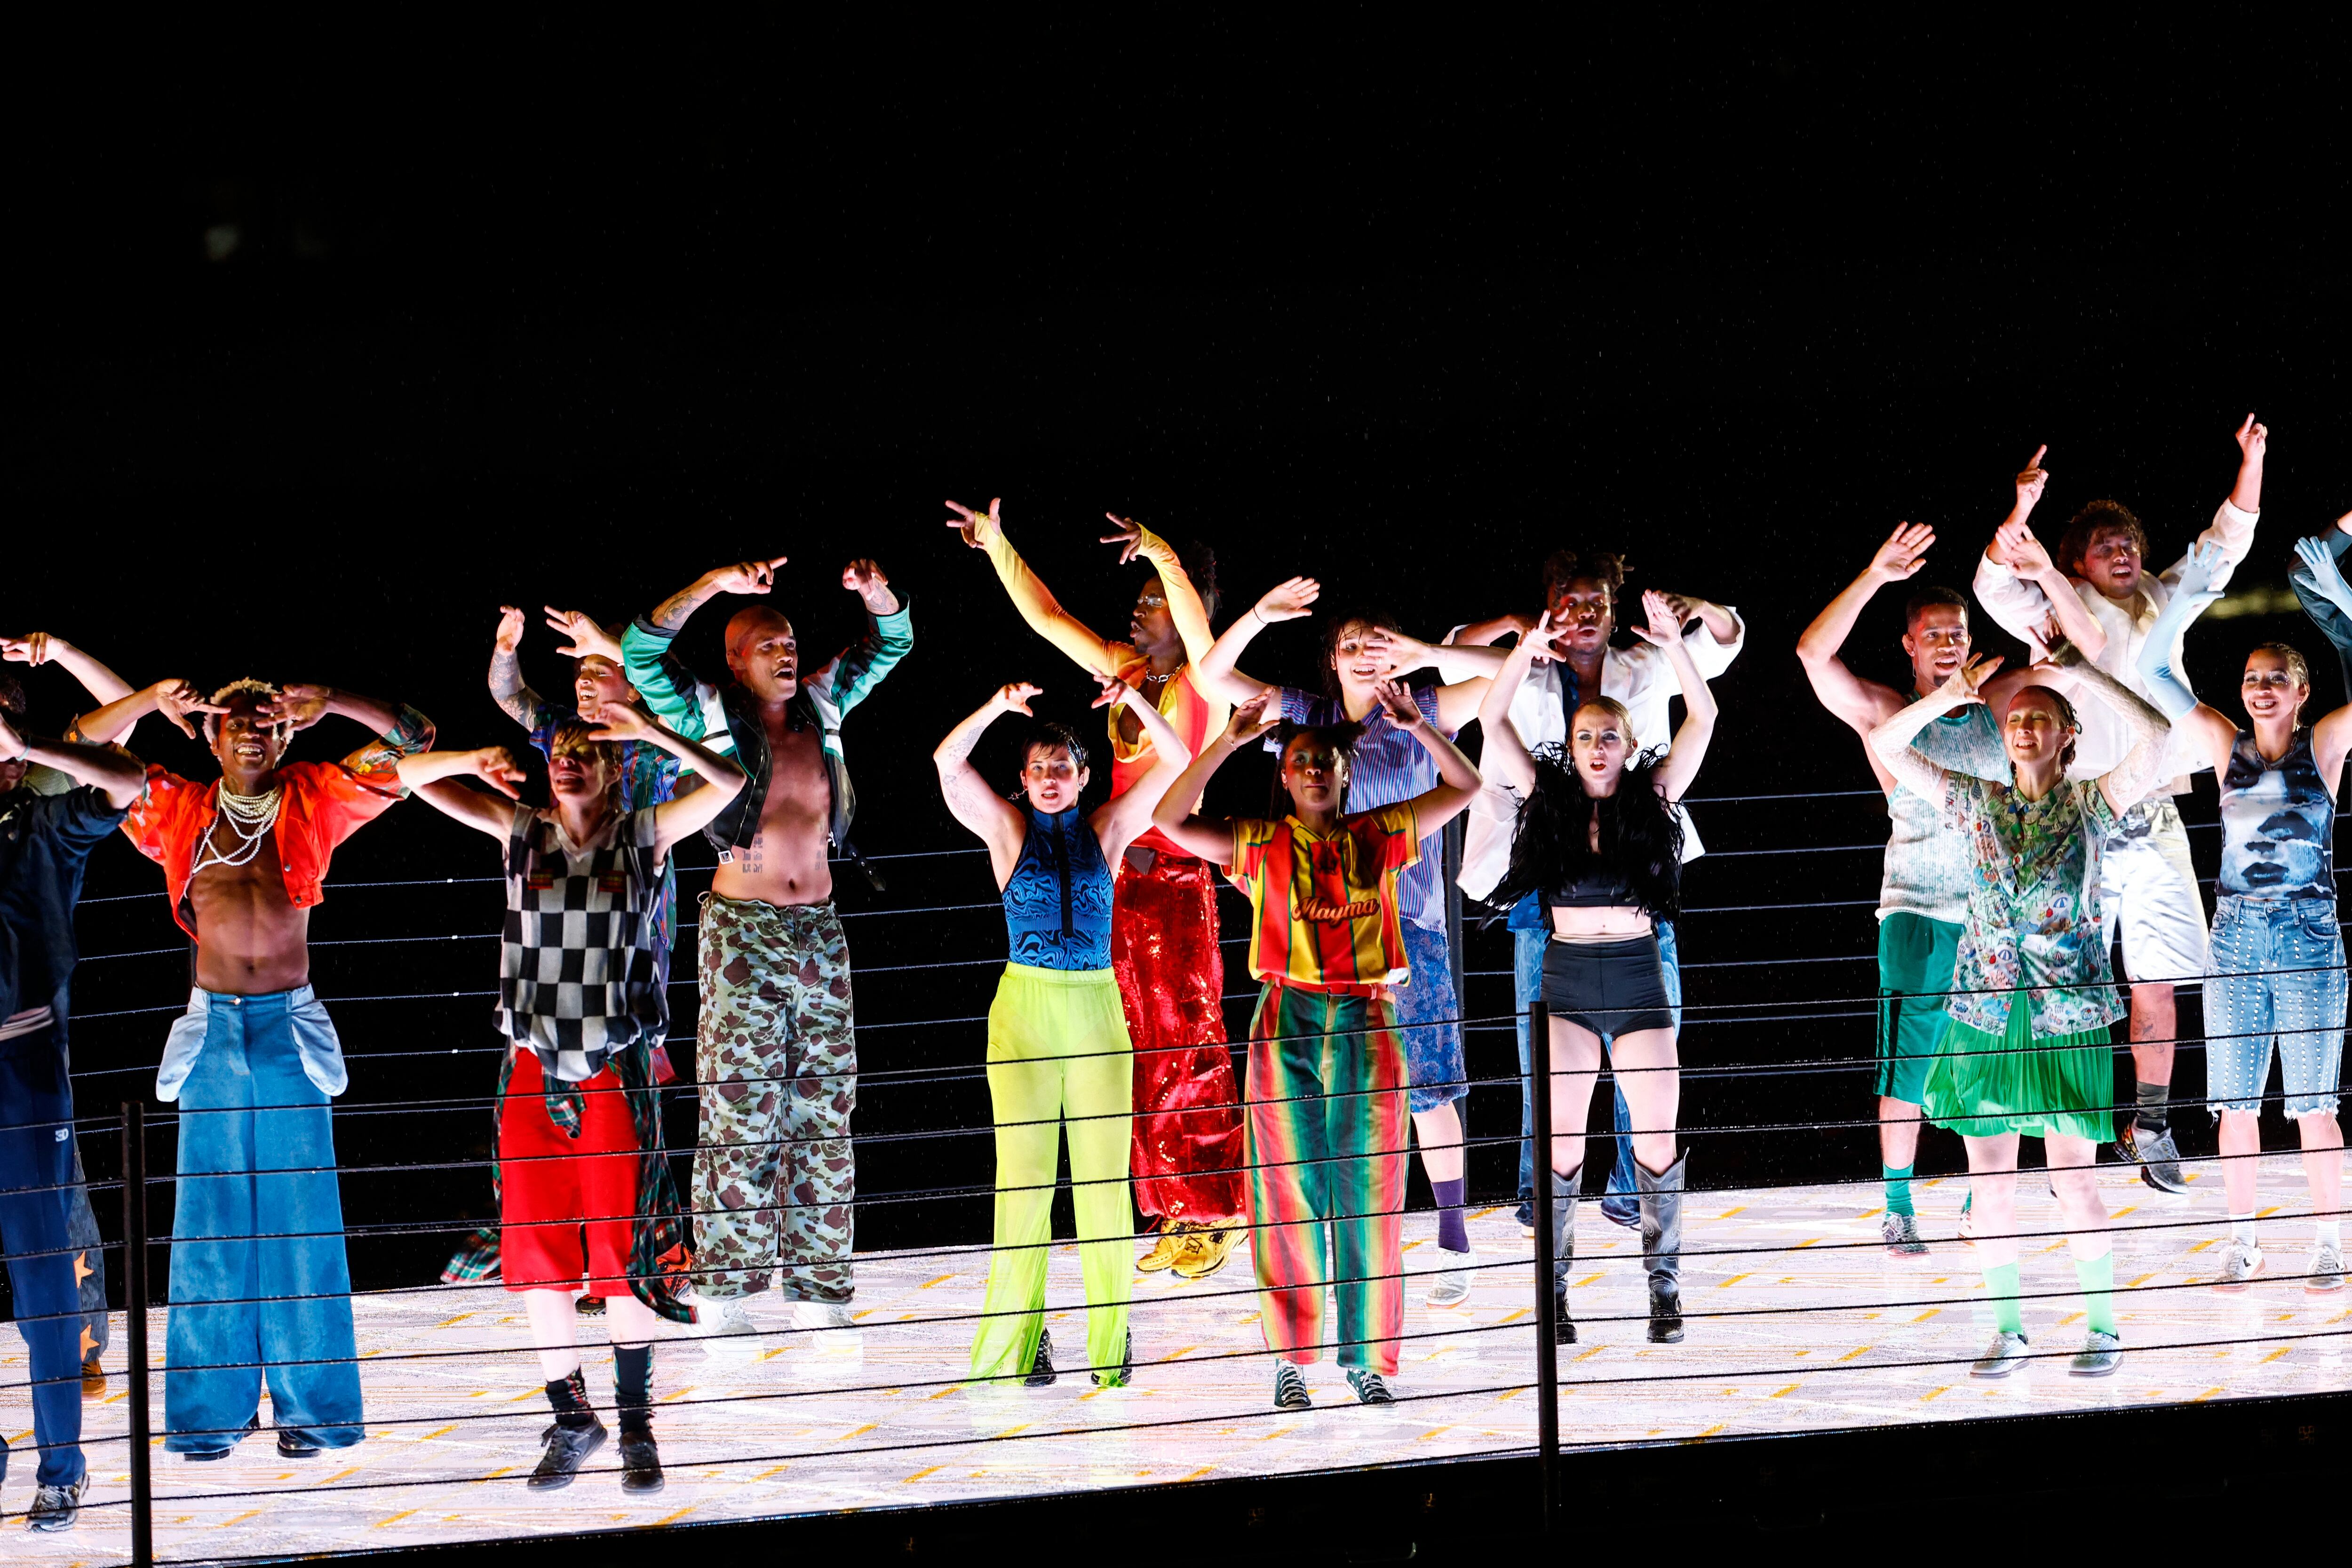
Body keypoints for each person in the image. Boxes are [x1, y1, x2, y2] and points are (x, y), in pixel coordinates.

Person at [397, 700, 745, 1492]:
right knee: (537, 1253)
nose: (571, 758)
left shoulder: (643, 833)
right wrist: (469, 757)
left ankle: (635, 1425)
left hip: (612, 1066)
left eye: (589, 751)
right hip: (531, 1069)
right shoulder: (522, 830)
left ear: (614, 767)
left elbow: (730, 781)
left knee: (623, 1256)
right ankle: (570, 1414)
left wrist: (652, 732)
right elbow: (405, 776)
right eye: (562, 750)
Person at [105, 678, 434, 1458]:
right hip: (212, 1030)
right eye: (235, 724)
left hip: (289, 1027)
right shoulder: (180, 808)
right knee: (208, 1228)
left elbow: (415, 738)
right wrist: (152, 700)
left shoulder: (313, 798)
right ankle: (208, 1415)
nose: (252, 733)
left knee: (302, 1222)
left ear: (286, 736)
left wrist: (339, 700)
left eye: (267, 722)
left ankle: (313, 1409)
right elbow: (97, 756)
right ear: (211, 739)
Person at [1152, 680, 1479, 1411]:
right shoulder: (1261, 842)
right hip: (1288, 1019)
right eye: (1300, 759)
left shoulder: (1381, 832)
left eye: (1326, 760)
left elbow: (1466, 783)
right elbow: (1168, 817)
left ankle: (1369, 1359)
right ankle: (1290, 1360)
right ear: (1286, 772)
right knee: (1287, 1191)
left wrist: (1418, 727)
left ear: (1345, 772)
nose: (1313, 769)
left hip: (1366, 1019)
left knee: (1370, 1191)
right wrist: (1230, 739)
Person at [944, 499, 1246, 1279]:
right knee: (1138, 1044)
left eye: (1154, 607)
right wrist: (998, 546)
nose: (1140, 614)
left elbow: (1196, 637)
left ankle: (1212, 1205)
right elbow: (1047, 619)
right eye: (1139, 602)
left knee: (1190, 1034)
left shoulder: (1200, 685)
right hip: (1112, 877)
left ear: (1186, 620)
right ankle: (1169, 1204)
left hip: (1172, 873)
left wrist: (1163, 556)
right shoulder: (1125, 671)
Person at [619, 555, 912, 1334]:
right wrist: (716, 584)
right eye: (767, 644)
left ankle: (820, 1287)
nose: (785, 653)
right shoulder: (703, 710)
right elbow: (640, 652)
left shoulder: (822, 702)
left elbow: (894, 641)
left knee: (826, 1107)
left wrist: (874, 594)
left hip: (818, 925)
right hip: (743, 929)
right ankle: (726, 1288)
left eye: (789, 642)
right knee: (741, 1109)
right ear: (735, 658)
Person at [1973, 421, 2268, 1190]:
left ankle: (2155, 1122)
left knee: (2160, 980)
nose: (2122, 551)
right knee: (2066, 978)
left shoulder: (2163, 600)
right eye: (2104, 544)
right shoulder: (2051, 611)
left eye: (2128, 540)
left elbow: (2226, 543)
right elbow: (1993, 583)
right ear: (2075, 561)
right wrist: (2019, 518)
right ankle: (2068, 1127)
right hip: (2081, 816)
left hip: (2157, 812)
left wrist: (2253, 461)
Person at [1192, 578, 1502, 1304]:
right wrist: (1259, 614)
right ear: (1331, 658)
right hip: (1318, 941)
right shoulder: (1309, 716)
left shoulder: (1422, 708)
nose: (1365, 655)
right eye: (1351, 645)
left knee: (1428, 1085)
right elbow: (1212, 675)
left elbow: (1506, 677)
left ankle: (1454, 1234)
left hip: (1408, 929)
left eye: (1378, 643)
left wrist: (1427, 654)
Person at [1869, 643, 2172, 1378]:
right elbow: (1885, 743)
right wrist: (1955, 693)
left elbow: (2158, 737)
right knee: (1993, 1183)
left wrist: (2082, 677)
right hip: (1984, 1012)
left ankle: (2104, 1329)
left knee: (2074, 1179)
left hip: (2067, 1013)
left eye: (2042, 718)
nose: (2024, 727)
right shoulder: (1974, 799)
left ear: (2069, 734)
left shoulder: (2094, 802)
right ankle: (2009, 1330)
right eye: (2015, 718)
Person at [1447, 552, 1745, 1236]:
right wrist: (1521, 647)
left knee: (1651, 1047)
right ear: (1547, 604)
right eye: (1569, 601)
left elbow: (1719, 661)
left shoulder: (1643, 676)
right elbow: (1478, 696)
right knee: (1544, 1054)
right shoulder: (1531, 688)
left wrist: (1678, 630)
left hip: (1635, 891)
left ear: (1615, 612)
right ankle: (1543, 1193)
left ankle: (1632, 1190)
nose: (1583, 615)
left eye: (1597, 604)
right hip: (1547, 879)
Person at [933, 673, 1191, 1387]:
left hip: (1097, 1011)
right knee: (1023, 1183)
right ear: (1022, 780)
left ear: (1083, 775)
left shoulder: (1108, 827)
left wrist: (1135, 703)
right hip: (1025, 1010)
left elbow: (1175, 760)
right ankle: (1025, 1337)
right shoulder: (1007, 830)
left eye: (1062, 767)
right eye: (1037, 769)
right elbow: (947, 764)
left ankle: (1112, 1342)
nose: (1050, 778)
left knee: (1104, 1184)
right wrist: (992, 704)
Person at [1477, 594, 1717, 1344]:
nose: (1598, 746)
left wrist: (1677, 645)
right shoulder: (1546, 801)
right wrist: (1523, 649)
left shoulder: (1654, 796)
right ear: (1573, 744)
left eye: (1610, 735)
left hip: (1639, 976)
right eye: (1586, 736)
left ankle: (1665, 1289)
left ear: (1627, 740)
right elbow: (1492, 722)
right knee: (1562, 1146)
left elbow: (1703, 720)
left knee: (1654, 1139)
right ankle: (1553, 1296)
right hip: (1571, 982)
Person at [1796, 518, 2040, 1255]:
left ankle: (1980, 1199)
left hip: (1992, 917)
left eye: (1957, 631)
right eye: (1932, 632)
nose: (1947, 642)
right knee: (1910, 1062)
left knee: (1991, 1061)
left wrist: (2021, 545)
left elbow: (2062, 661)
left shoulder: (1998, 705)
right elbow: (1812, 653)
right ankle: (1899, 1206)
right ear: (1909, 643)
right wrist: (1875, 574)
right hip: (1915, 912)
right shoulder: (1885, 710)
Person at [447, 605, 700, 1311]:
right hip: (562, 917)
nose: (586, 688)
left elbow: (689, 711)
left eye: (602, 675)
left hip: (639, 919)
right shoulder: (567, 740)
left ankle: (654, 1247)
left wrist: (617, 651)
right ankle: (569, 1248)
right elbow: (510, 695)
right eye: (580, 677)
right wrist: (506, 648)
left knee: (634, 1088)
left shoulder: (656, 740)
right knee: (558, 1092)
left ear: (634, 683)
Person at [2139, 542, 2348, 1290]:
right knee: (2233, 1102)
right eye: (2252, 678)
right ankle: (2241, 1243)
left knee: (2314, 1105)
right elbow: (2153, 673)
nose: (2261, 688)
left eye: (2276, 679)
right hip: (2235, 937)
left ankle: (2329, 1243)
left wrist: (2344, 604)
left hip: (2306, 935)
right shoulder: (2224, 744)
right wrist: (2188, 597)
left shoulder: (2323, 744)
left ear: (2301, 689)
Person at [2, 633, 168, 1382]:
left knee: (54, 1181)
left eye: (10, 708)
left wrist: (55, 649)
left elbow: (121, 719)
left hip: (35, 1003)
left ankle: (81, 1343)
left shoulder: (39, 777)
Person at [0, 685, 147, 1531]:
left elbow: (126, 782)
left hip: (22, 1066)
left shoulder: (44, 818)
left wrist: (34, 747)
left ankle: (62, 1467)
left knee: (45, 1281)